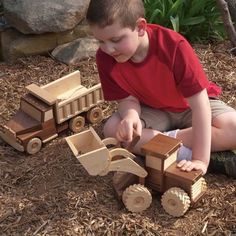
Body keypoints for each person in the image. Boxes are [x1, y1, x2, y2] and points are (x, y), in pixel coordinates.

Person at [86, 0, 236, 178]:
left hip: (188, 107)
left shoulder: (173, 46)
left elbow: (200, 105)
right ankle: (177, 148)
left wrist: (200, 160)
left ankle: (165, 145)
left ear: (140, 27)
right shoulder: (105, 58)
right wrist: (131, 115)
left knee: (233, 128)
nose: (108, 49)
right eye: (100, 41)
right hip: (153, 109)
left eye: (116, 40)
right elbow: (127, 99)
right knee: (113, 130)